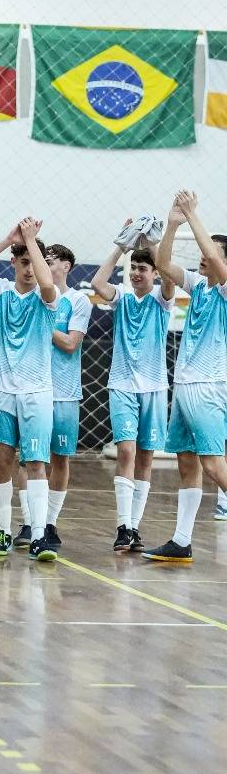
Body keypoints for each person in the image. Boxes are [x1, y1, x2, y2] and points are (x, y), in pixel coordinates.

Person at [142, 191, 227, 563]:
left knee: (213, 464)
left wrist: (193, 214)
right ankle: (181, 541)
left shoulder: (224, 288)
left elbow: (216, 260)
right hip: (186, 385)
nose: (204, 257)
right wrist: (173, 224)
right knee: (187, 461)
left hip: (208, 386)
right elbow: (163, 264)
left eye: (213, 253)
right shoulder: (199, 285)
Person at [0, 218, 59, 560]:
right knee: (3, 461)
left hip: (37, 392)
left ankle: (39, 536)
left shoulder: (49, 297)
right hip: (2, 391)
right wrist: (9, 239)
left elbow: (47, 284)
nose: (30, 269)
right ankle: (3, 531)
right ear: (14, 263)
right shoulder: (2, 291)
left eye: (35, 262)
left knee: (35, 463)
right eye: (23, 262)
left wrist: (32, 242)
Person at [92, 233, 175, 553]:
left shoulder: (161, 298)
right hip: (123, 385)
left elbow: (168, 274)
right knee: (126, 451)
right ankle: (123, 526)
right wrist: (121, 246)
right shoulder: (123, 296)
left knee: (146, 457)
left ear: (154, 273)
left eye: (143, 268)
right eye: (134, 268)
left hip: (154, 388)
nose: (137, 273)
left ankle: (135, 528)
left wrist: (152, 241)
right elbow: (98, 283)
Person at [17, 244, 92, 549]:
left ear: (66, 266)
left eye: (49, 261)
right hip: (33, 388)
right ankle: (28, 522)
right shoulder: (32, 296)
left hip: (63, 392)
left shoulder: (78, 300)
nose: (43, 265)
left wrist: (44, 324)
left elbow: (71, 344)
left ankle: (49, 523)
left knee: (60, 457)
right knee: (28, 458)